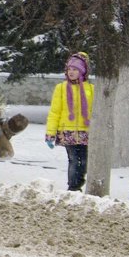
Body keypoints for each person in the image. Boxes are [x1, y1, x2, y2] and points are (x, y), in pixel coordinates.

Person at [45, 52, 94, 191]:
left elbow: (94, 112)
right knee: (73, 160)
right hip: (67, 131)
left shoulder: (90, 89)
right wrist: (50, 133)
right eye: (69, 69)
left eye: (75, 69)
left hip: (85, 131)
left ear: (83, 70)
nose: (71, 72)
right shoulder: (61, 88)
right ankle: (73, 187)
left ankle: (79, 183)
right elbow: (54, 112)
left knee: (84, 161)